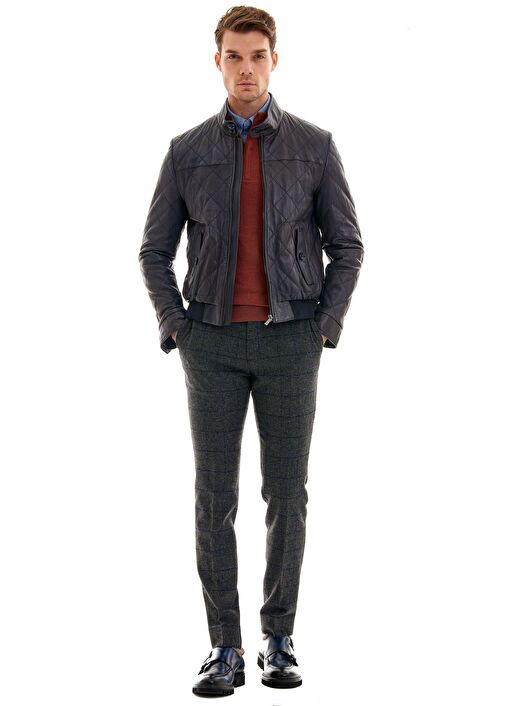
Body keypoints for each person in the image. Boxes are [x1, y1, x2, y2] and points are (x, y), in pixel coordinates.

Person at [138, 5, 364, 697]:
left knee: (286, 494)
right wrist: (177, 326)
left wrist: (322, 326)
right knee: (214, 497)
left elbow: (347, 247)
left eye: (257, 56)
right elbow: (153, 251)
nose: (245, 69)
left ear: (274, 61)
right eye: (233, 56)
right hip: (208, 343)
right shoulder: (186, 151)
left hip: (291, 340)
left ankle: (279, 638)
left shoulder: (314, 146)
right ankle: (223, 647)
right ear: (217, 62)